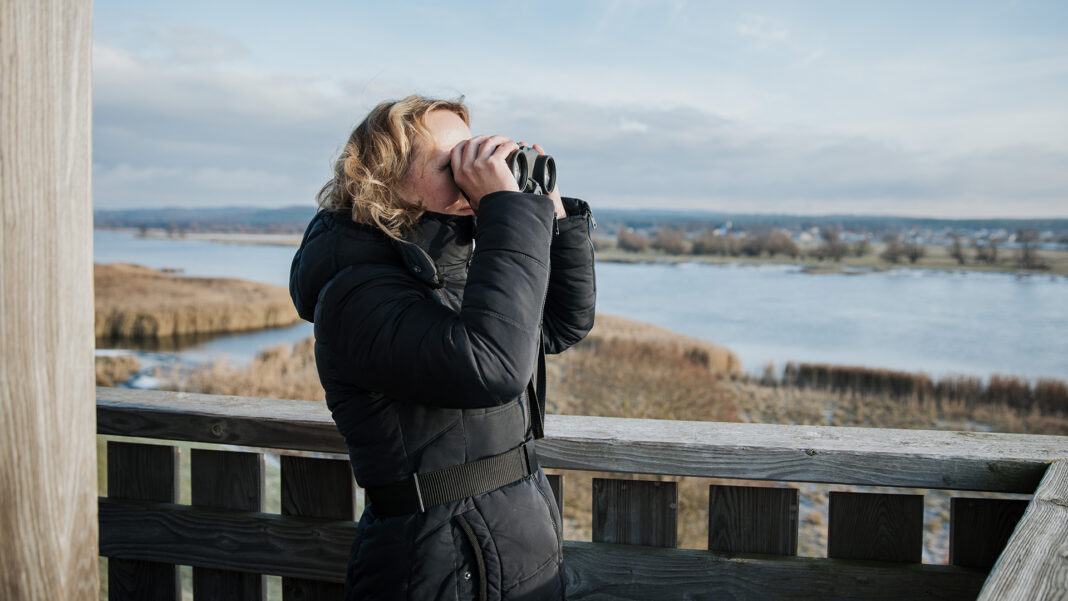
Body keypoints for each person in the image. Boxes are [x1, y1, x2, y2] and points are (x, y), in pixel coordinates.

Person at [289, 95, 596, 601]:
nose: (474, 169)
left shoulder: (448, 275)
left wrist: (554, 216)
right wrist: (507, 213)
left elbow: (561, 324)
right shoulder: (358, 293)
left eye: (475, 154)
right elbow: (492, 368)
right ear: (384, 180)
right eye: (452, 162)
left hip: (503, 548)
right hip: (441, 567)